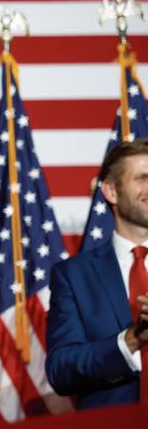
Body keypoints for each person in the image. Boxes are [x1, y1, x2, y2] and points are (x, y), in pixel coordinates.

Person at [47, 139, 148, 408]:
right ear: (111, 191)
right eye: (142, 178)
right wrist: (133, 339)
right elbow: (61, 369)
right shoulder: (73, 275)